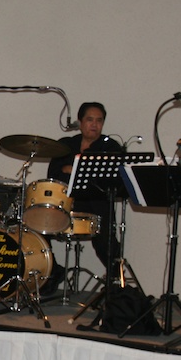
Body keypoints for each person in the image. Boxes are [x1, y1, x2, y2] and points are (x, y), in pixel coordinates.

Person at [47, 102, 123, 279]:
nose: (94, 125)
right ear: (80, 122)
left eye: (99, 120)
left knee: (105, 239)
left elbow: (108, 179)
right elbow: (54, 174)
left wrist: (71, 168)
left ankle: (115, 278)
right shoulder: (65, 145)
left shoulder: (110, 147)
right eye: (89, 120)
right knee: (36, 222)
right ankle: (52, 272)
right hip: (65, 202)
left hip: (96, 205)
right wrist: (79, 170)